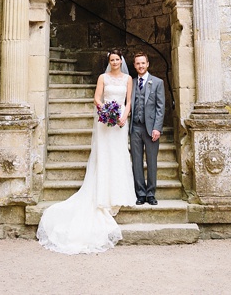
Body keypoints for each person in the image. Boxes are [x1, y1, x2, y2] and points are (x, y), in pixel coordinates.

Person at [37, 50, 136, 254]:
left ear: (121, 61)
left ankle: (117, 194)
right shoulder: (103, 77)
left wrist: (123, 117)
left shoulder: (128, 79)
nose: (115, 62)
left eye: (117, 60)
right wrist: (105, 110)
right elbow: (96, 98)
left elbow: (128, 101)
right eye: (112, 60)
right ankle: (102, 194)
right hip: (105, 121)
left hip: (120, 123)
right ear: (109, 62)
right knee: (104, 156)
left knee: (118, 156)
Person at [131, 52, 165, 205]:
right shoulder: (130, 83)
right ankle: (140, 193)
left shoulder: (157, 82)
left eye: (143, 63)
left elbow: (160, 107)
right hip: (135, 127)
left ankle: (151, 193)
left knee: (151, 161)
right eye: (138, 63)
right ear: (134, 65)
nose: (140, 66)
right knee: (136, 161)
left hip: (151, 129)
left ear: (148, 64)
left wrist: (157, 128)